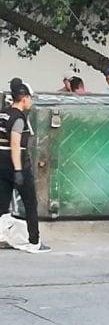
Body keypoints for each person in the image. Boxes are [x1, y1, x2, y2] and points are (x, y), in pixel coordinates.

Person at [0, 78, 50, 253]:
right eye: (30, 98)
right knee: (30, 203)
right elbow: (15, 144)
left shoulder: (3, 114)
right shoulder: (18, 118)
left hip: (1, 165)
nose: (31, 102)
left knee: (2, 204)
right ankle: (34, 241)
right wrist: (19, 170)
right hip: (16, 165)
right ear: (23, 98)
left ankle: (1, 237)